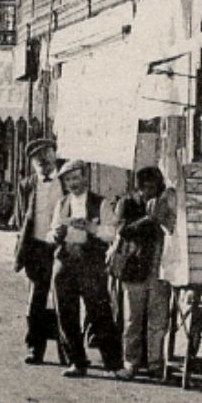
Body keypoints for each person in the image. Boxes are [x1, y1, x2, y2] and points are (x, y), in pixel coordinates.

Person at [49, 160, 121, 377]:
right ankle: (76, 361)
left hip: (90, 261)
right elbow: (51, 232)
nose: (73, 183)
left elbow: (111, 233)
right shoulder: (61, 203)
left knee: (99, 310)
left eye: (76, 178)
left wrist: (91, 227)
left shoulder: (101, 203)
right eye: (68, 180)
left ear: (85, 178)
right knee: (66, 311)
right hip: (66, 258)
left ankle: (113, 363)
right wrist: (56, 233)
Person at [111, 165, 177, 380]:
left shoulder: (165, 204)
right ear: (138, 187)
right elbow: (123, 230)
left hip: (160, 269)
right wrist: (149, 219)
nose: (148, 191)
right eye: (144, 187)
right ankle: (131, 362)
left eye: (153, 187)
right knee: (133, 320)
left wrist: (163, 214)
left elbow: (173, 229)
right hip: (134, 268)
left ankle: (155, 363)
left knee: (158, 320)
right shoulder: (127, 203)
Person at [13, 138, 65, 366]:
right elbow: (21, 218)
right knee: (37, 298)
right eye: (37, 158)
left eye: (46, 154)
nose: (43, 160)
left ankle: (68, 349)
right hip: (36, 247)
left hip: (62, 247)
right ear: (33, 163)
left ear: (55, 154)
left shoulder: (66, 182)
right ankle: (35, 347)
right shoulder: (27, 185)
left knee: (65, 297)